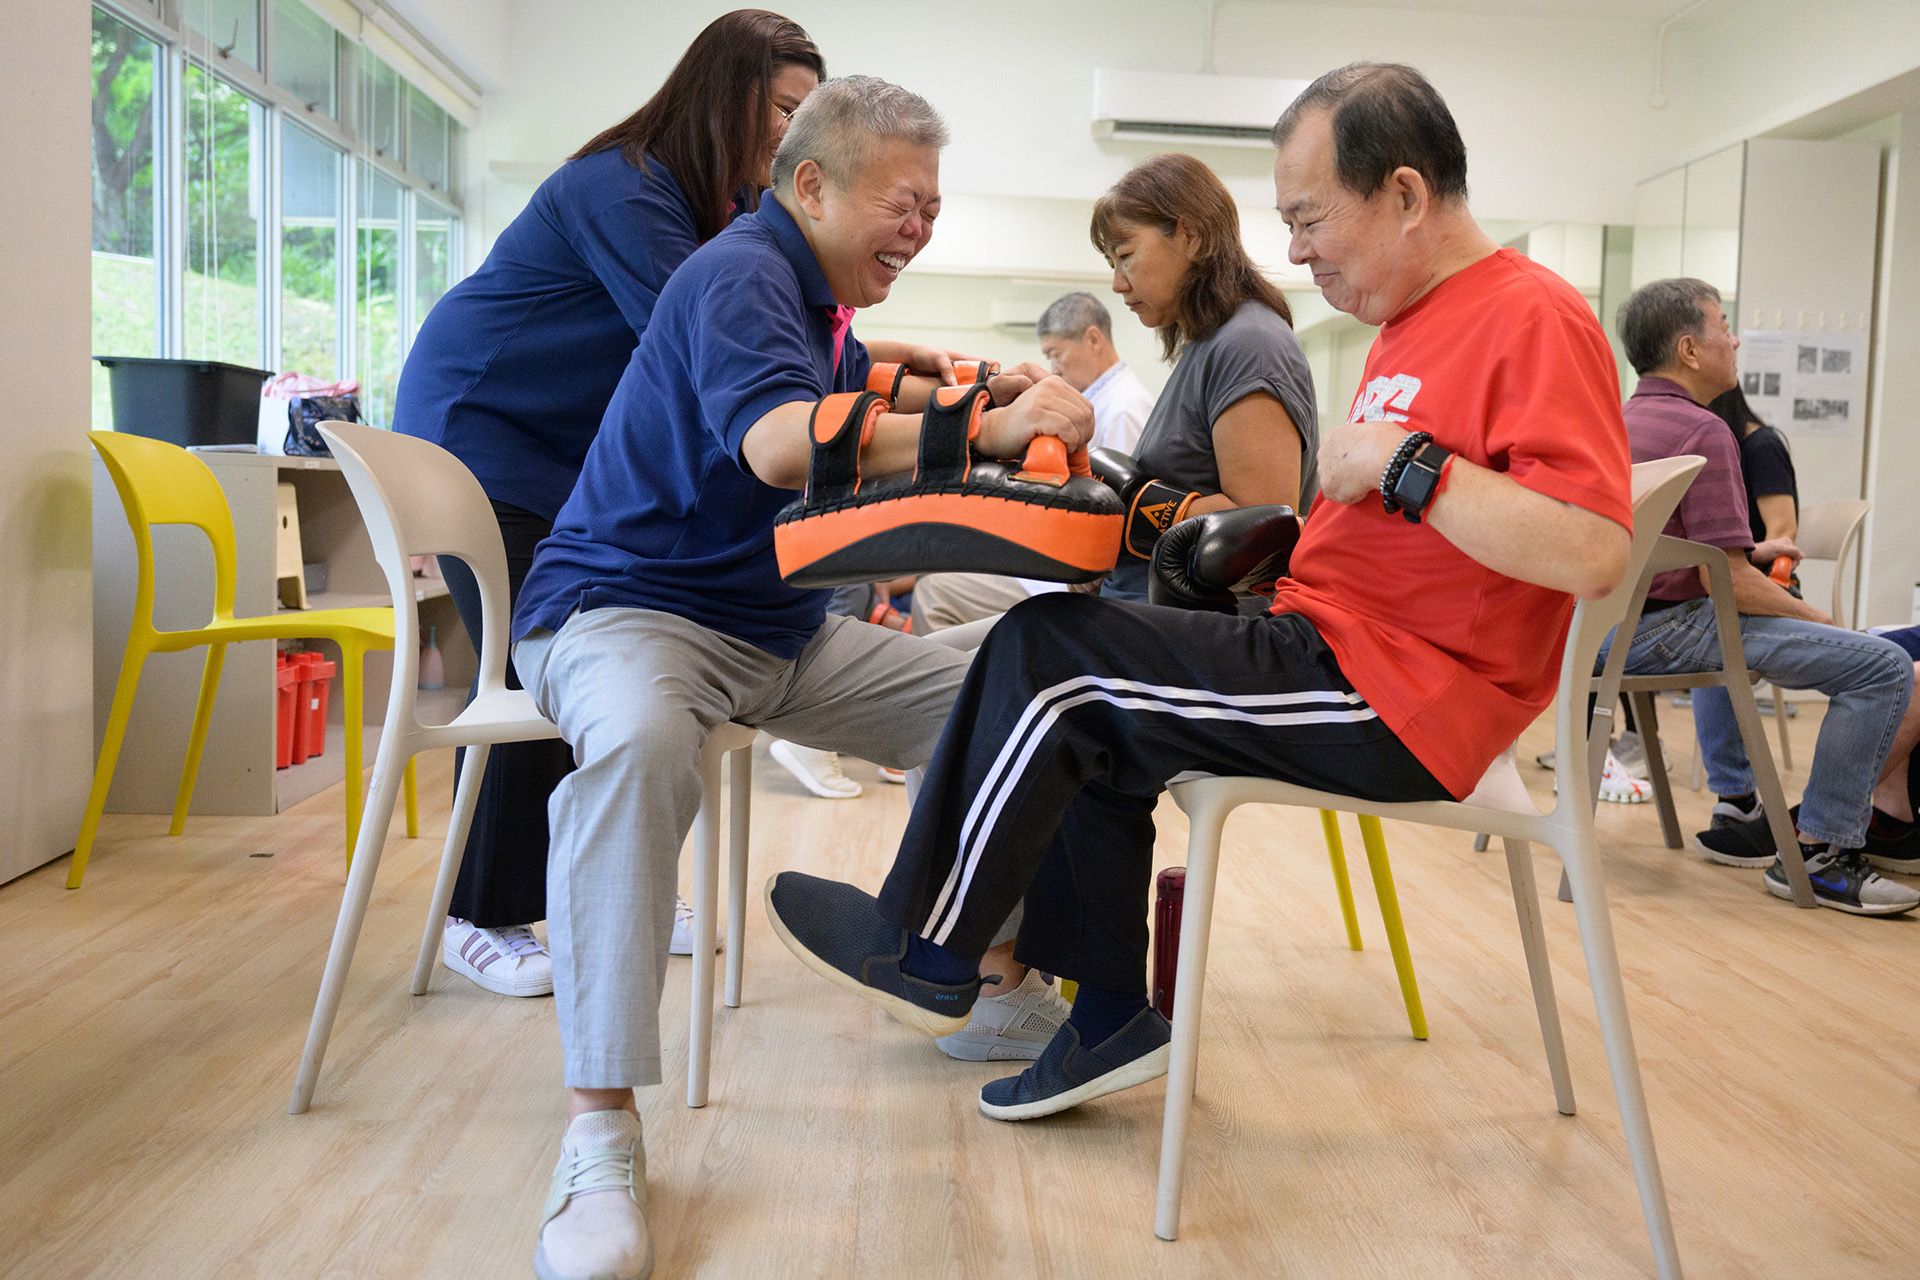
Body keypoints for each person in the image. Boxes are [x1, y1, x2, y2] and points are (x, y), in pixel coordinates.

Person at [766, 63, 1637, 1122]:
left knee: (1051, 657)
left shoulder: (1532, 316)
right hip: (1325, 645)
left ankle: (926, 947)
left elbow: (1593, 549)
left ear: (1404, 194)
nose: (1299, 248)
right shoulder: (1414, 319)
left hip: (1397, 695)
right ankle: (1107, 1020)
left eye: (1311, 218)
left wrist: (1414, 469)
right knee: (1069, 685)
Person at [507, 77, 1094, 1280]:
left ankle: (988, 977)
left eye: (935, 207)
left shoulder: (813, 301)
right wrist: (980, 427)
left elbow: (849, 399)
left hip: (774, 632)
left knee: (1023, 695)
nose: (920, 226)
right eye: (904, 200)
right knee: (635, 745)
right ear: (811, 185)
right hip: (625, 611)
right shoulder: (736, 273)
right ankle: (599, 1131)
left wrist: (972, 401)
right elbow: (783, 444)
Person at [393, 13, 955, 995]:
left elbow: (776, 348)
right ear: (722, 95)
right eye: (785, 110)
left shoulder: (725, 215)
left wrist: (876, 367)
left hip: (571, 448)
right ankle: (479, 912)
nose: (794, 134)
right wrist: (911, 398)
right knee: (540, 668)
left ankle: (615, 882)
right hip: (493, 425)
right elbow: (718, 347)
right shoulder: (627, 187)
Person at [1603, 278, 1919, 914]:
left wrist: (1749, 558)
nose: (1736, 339)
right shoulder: (1705, 430)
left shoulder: (1617, 420)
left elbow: (1698, 562)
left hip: (1605, 633)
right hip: (1666, 629)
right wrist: (1822, 619)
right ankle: (1822, 855)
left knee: (1856, 654)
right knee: (1881, 665)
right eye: (1724, 325)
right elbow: (1732, 587)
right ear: (1690, 350)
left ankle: (1754, 806)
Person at [1088, 152, 1318, 605]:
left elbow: (1261, 533)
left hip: (1192, 632)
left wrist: (1135, 502)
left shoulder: (1249, 343)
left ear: (1190, 236)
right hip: (1143, 609)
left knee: (1013, 644)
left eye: (1126, 256)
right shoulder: (1209, 343)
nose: (1118, 283)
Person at [910, 290, 1156, 632]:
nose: (1054, 368)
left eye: (1056, 355)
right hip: (1058, 558)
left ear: (1093, 339)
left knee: (936, 592)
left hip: (1074, 576)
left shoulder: (1123, 407)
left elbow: (1117, 512)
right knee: (946, 569)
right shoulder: (1097, 399)